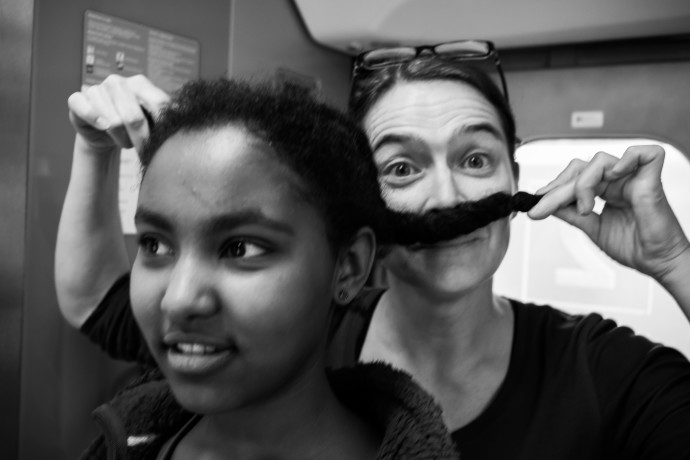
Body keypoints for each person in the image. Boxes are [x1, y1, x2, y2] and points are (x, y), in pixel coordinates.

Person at [56, 42, 690, 459]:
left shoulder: (604, 373)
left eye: (475, 158)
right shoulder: (288, 335)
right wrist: (93, 148)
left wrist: (674, 263)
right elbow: (97, 302)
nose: (445, 195)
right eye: (403, 169)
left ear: (512, 176)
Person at [67, 77, 459, 459]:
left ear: (349, 267)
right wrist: (92, 148)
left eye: (240, 248)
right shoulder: (128, 442)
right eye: (155, 244)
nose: (179, 299)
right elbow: (94, 300)